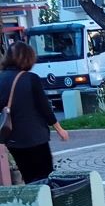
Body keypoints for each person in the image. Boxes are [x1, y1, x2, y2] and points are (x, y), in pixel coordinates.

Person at [0, 41, 70, 182]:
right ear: (28, 58)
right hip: (36, 137)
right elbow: (44, 108)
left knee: (28, 177)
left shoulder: (1, 79)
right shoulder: (31, 79)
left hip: (13, 138)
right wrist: (60, 129)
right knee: (45, 177)